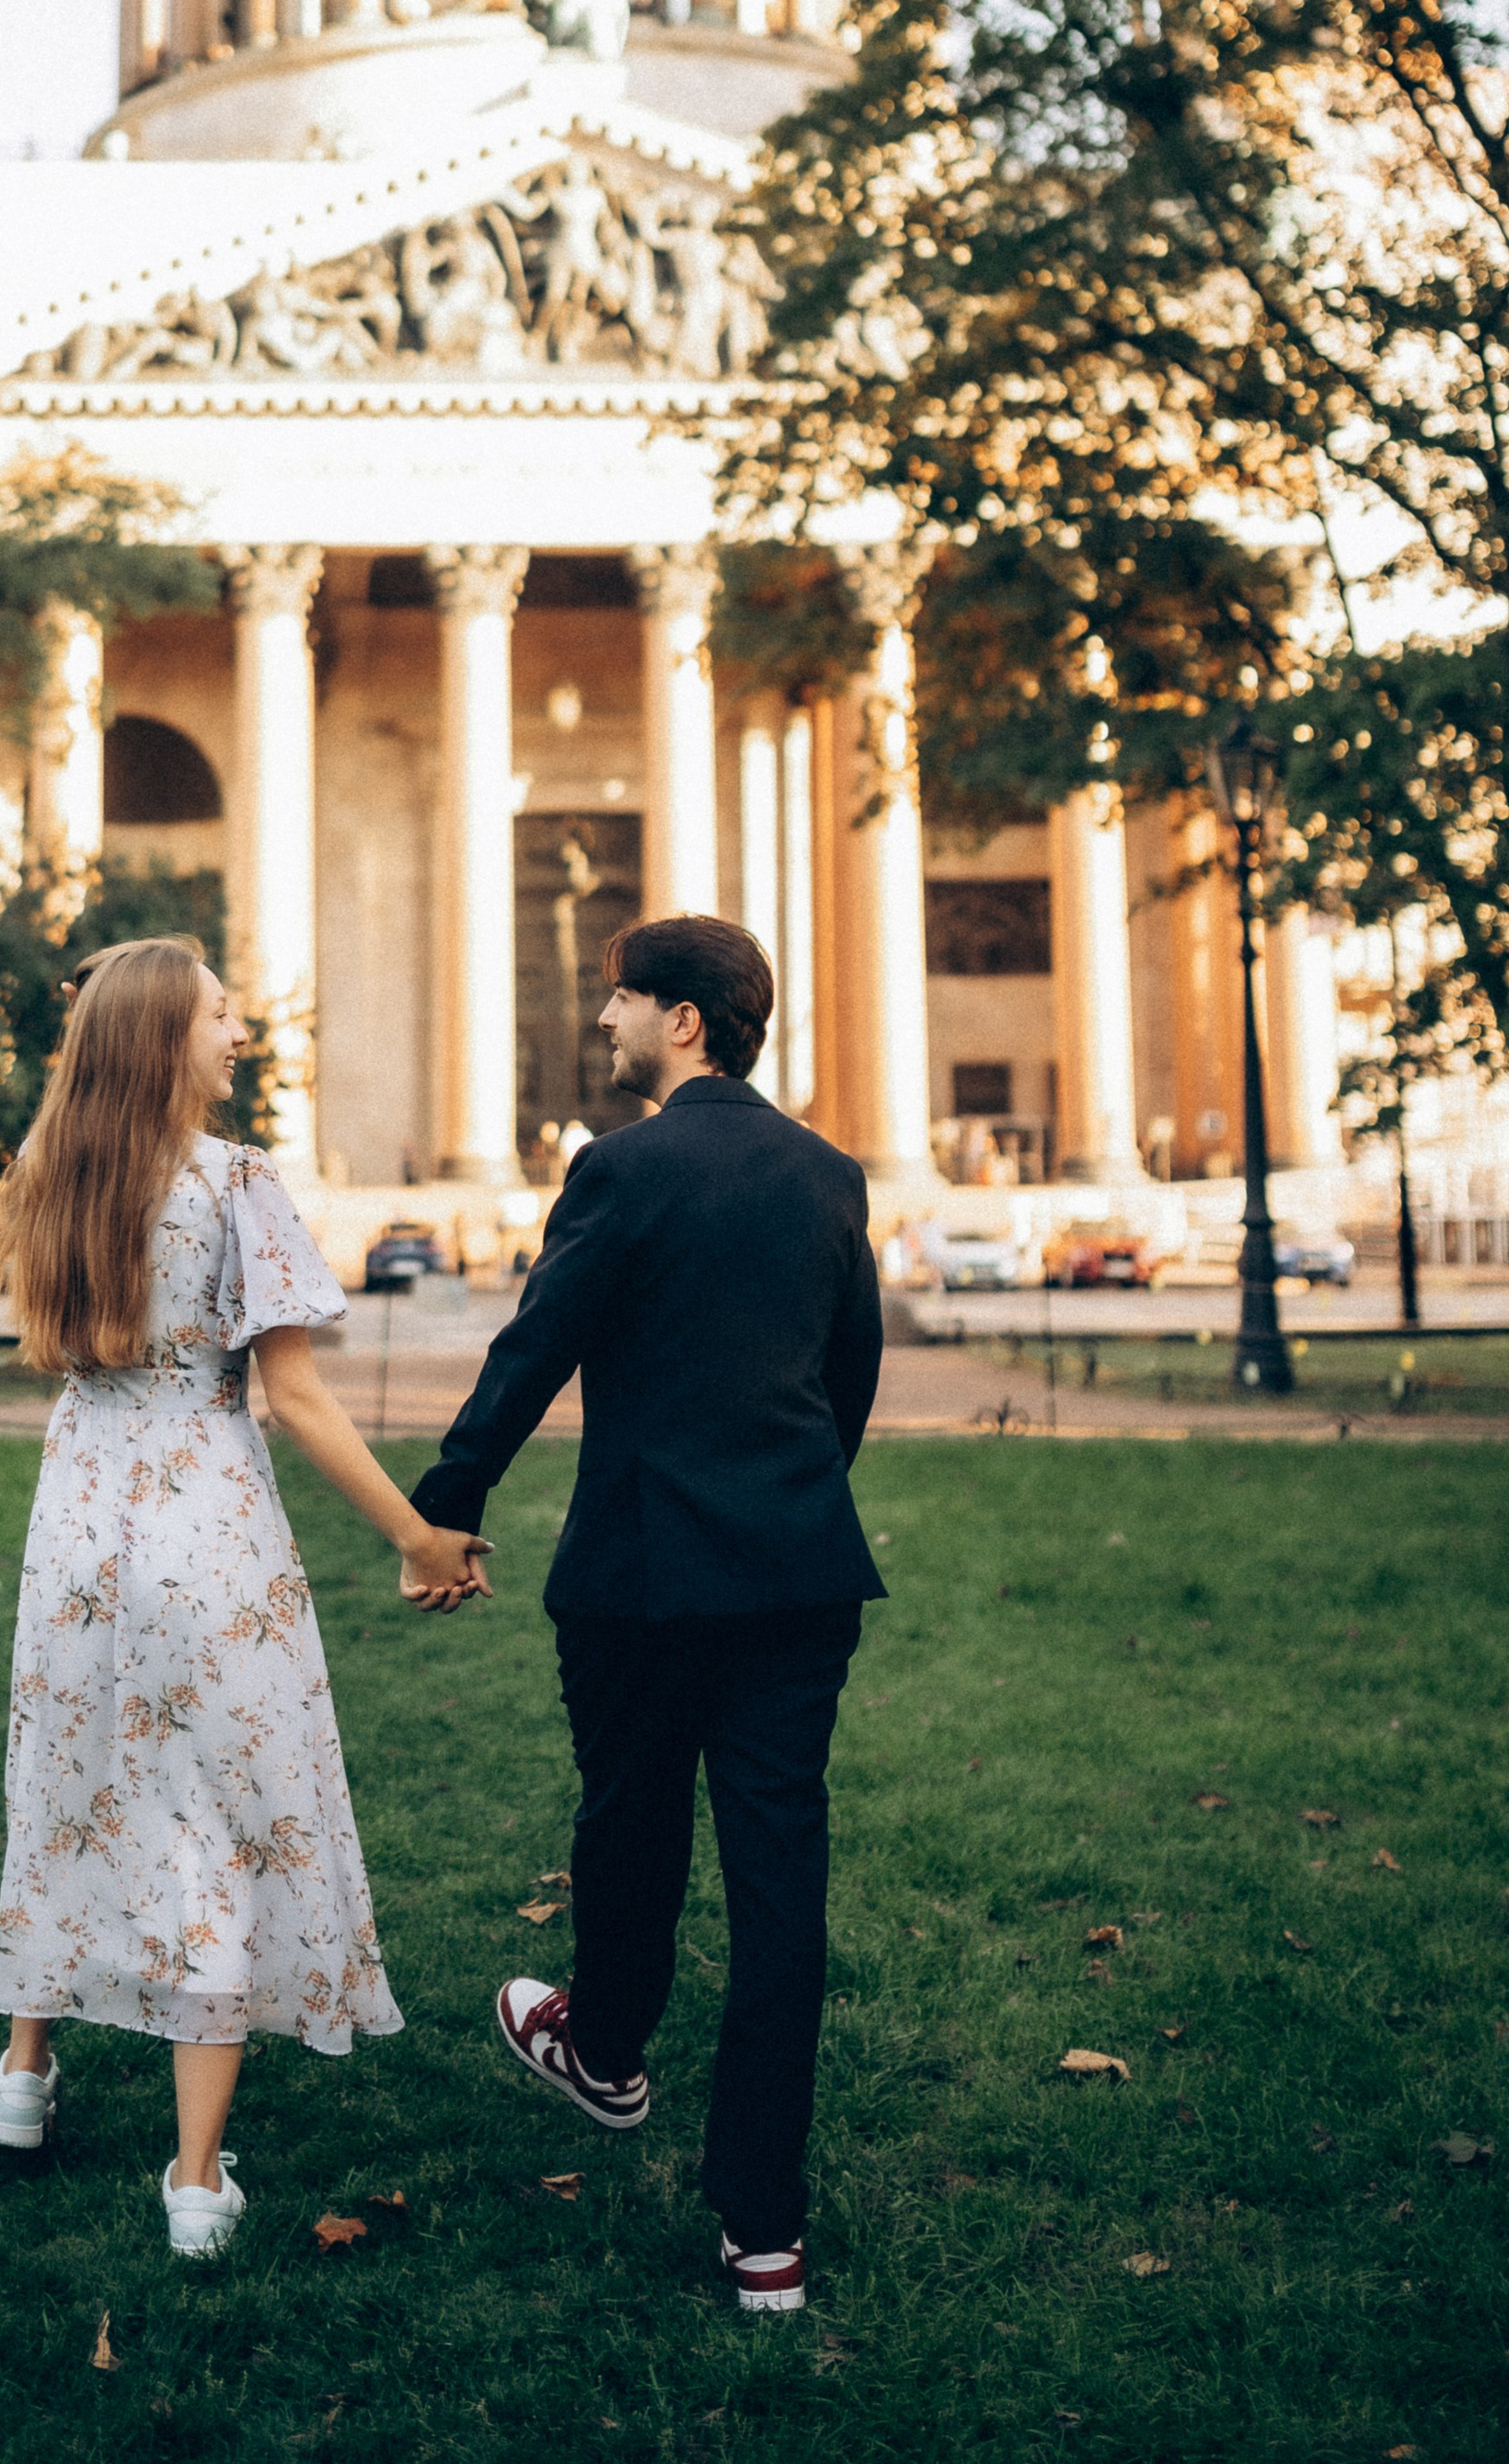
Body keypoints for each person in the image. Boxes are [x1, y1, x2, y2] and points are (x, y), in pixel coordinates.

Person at [0, 935, 489, 2256]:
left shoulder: (46, 1170)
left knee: (69, 1783)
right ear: (165, 1040)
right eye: (219, 1015)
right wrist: (420, 1536)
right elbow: (295, 1396)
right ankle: (196, 2182)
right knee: (207, 1819)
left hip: (77, 1524)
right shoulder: (236, 1181)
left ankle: (23, 2077)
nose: (240, 1032)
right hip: (203, 1532)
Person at [409, 913, 883, 2316]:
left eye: (621, 998)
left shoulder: (620, 1168)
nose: (603, 1019)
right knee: (781, 1886)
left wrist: (448, 1505)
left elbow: (536, 1349)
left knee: (631, 1822)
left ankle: (607, 2054)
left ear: (684, 1019)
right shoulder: (831, 1173)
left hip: (640, 1574)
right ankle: (765, 2236)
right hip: (797, 1575)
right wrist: (789, 1499)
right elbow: (848, 1375)